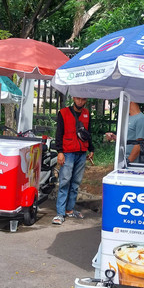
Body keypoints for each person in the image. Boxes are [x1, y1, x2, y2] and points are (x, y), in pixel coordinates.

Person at [53, 96, 94, 225]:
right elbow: (59, 133)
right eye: (78, 99)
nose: (80, 102)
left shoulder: (87, 113)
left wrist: (91, 149)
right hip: (68, 152)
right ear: (74, 98)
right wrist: (60, 152)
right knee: (65, 181)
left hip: (82, 152)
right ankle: (60, 213)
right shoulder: (63, 113)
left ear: (86, 100)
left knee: (75, 183)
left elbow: (89, 133)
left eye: (83, 100)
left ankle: (69, 210)